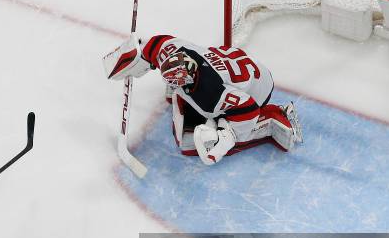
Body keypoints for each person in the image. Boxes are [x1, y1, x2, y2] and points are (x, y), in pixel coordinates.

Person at [103, 34, 303, 164]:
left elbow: (247, 108)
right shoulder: (172, 50)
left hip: (258, 89)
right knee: (184, 122)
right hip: (238, 64)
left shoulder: (211, 93)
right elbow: (152, 45)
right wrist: (128, 58)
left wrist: (227, 136)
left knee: (193, 145)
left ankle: (273, 118)